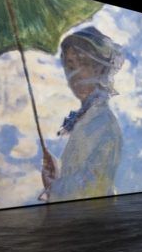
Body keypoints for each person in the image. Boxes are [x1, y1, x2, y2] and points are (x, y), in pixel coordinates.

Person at [42, 28, 124, 202]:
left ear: (100, 69)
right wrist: (55, 177)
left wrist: (53, 187)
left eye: (84, 64)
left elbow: (90, 190)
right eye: (70, 66)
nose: (75, 74)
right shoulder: (86, 119)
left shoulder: (104, 123)